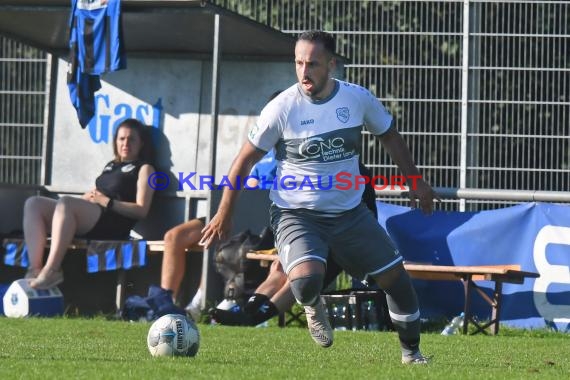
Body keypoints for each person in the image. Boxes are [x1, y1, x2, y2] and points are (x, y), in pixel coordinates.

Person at [200, 30, 438, 364]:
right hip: (296, 214)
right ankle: (312, 306)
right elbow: (244, 160)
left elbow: (390, 136)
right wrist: (224, 211)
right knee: (306, 280)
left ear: (331, 64)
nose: (304, 71)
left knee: (397, 282)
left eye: (312, 63)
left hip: (350, 214)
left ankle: (412, 355)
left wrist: (416, 181)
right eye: (298, 63)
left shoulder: (356, 99)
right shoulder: (281, 107)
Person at [24, 118, 156, 289]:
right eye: (121, 139)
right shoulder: (111, 166)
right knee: (34, 203)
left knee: (66, 203)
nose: (125, 143)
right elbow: (95, 192)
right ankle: (35, 269)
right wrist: (83, 202)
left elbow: (142, 210)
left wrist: (107, 202)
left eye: (131, 139)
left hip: (114, 222)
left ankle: (52, 270)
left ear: (141, 143)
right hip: (94, 215)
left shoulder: (147, 169)